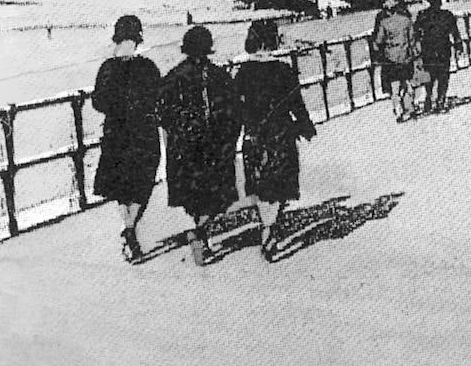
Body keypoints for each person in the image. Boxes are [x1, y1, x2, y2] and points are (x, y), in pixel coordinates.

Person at [158, 26, 241, 266]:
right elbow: (233, 111)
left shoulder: (173, 77)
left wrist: (171, 142)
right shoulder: (219, 75)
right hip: (214, 145)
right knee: (218, 195)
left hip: (184, 149)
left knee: (194, 196)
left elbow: (162, 114)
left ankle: (200, 233)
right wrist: (230, 140)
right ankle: (200, 233)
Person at [234, 20, 315, 260]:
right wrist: (305, 126)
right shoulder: (284, 70)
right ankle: (270, 227)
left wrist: (237, 132)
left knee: (260, 184)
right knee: (280, 184)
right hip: (280, 133)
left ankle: (265, 224)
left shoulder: (243, 72)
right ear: (273, 40)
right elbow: (296, 104)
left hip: (254, 135)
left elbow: (236, 107)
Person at [92, 15, 162, 262]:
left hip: (116, 135)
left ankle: (129, 229)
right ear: (138, 38)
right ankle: (130, 229)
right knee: (143, 185)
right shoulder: (148, 67)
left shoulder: (107, 68)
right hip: (144, 134)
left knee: (122, 188)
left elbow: (98, 102)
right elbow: (159, 98)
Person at [413, 0, 463, 114]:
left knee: (429, 75)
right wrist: (459, 47)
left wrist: (416, 50)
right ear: (440, 1)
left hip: (428, 49)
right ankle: (440, 100)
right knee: (443, 75)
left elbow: (415, 34)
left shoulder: (422, 15)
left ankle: (429, 97)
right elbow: (455, 33)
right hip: (443, 49)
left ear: (429, 1)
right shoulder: (447, 15)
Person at [372, 0, 418, 121]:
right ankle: (409, 108)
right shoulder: (407, 21)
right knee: (407, 82)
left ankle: (398, 110)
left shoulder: (384, 23)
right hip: (405, 56)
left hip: (391, 58)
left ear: (388, 10)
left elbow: (378, 41)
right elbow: (412, 40)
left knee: (395, 86)